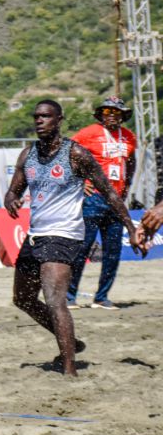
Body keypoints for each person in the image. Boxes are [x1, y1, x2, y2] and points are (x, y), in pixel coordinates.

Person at [3, 100, 143, 376]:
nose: (39, 120)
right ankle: (73, 344)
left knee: (56, 301)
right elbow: (14, 190)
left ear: (59, 120)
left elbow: (109, 192)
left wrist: (130, 226)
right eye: (36, 116)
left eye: (45, 116)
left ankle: (69, 369)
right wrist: (11, 199)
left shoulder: (75, 154)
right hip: (36, 234)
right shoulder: (27, 154)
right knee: (23, 299)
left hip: (64, 234)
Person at [67, 96, 137, 310]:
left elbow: (131, 163)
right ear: (101, 115)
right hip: (93, 198)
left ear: (123, 115)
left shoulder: (128, 137)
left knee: (113, 251)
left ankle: (101, 297)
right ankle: (69, 297)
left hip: (116, 201)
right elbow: (66, 154)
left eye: (116, 112)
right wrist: (79, 182)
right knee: (83, 248)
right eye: (107, 112)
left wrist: (126, 188)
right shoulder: (88, 133)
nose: (112, 116)